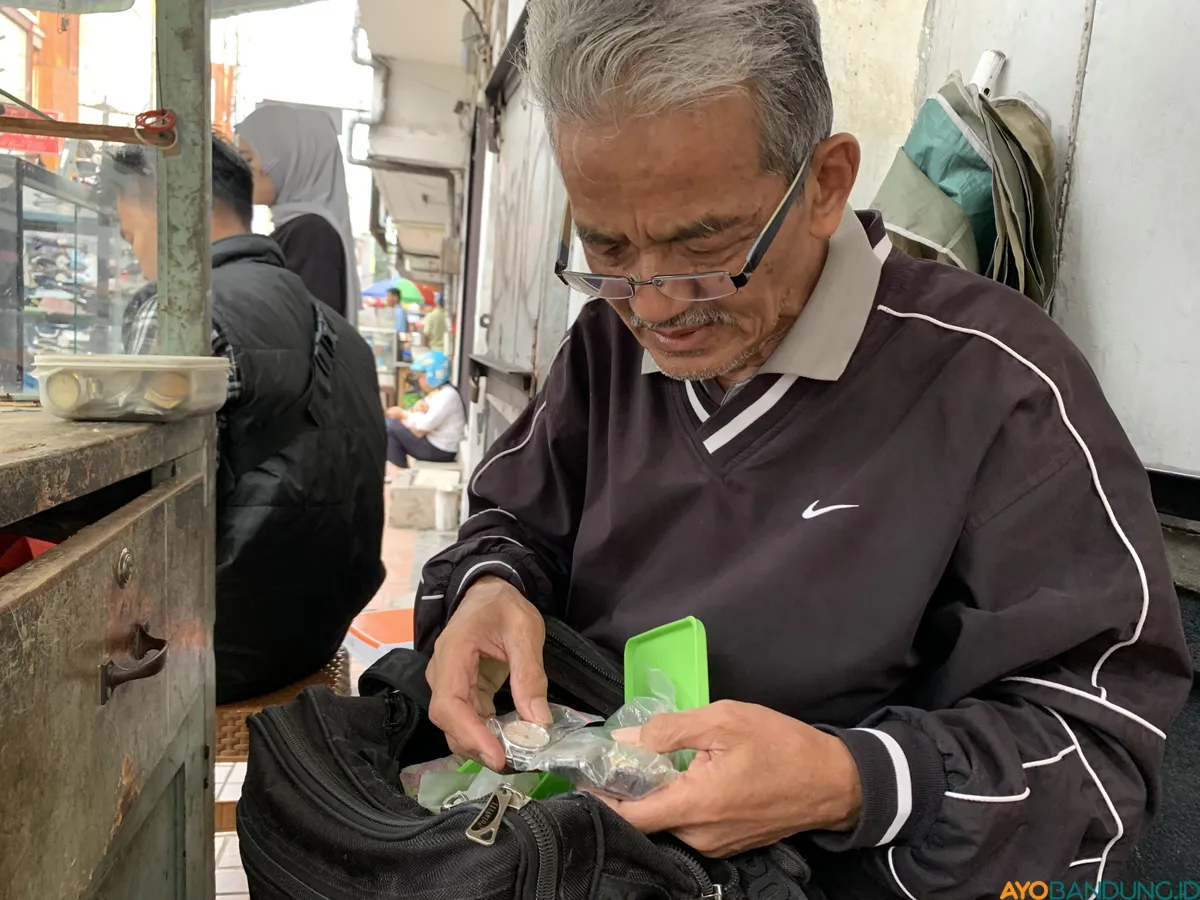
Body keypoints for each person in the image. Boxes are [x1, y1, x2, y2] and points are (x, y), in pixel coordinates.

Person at [414, 1, 1192, 896]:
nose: (656, 308)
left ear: (825, 185)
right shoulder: (603, 350)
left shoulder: (999, 387)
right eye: (606, 247)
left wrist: (846, 783)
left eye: (703, 244)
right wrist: (487, 590)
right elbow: (513, 519)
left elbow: (1100, 751)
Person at [106, 135, 386, 704]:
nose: (133, 250)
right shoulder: (345, 334)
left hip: (214, 646)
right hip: (317, 633)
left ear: (175, 210)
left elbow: (131, 515)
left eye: (131, 231)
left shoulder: (181, 317)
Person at [234, 104, 362, 323]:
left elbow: (300, 336)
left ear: (286, 160)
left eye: (247, 160)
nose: (242, 171)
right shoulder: (302, 229)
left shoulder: (311, 234)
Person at [385, 351, 463, 468]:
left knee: (389, 428)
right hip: (432, 443)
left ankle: (399, 469)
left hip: (440, 450)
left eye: (422, 376)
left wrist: (403, 414)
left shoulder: (447, 395)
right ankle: (400, 468)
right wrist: (414, 412)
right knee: (391, 425)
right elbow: (418, 417)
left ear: (434, 375)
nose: (420, 380)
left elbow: (425, 424)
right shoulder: (437, 393)